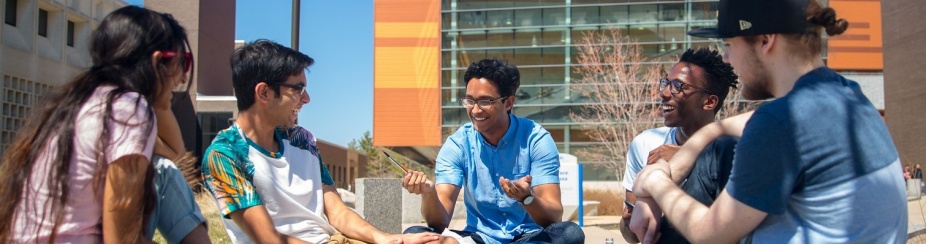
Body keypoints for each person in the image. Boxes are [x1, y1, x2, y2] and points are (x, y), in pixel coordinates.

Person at [630, 0, 907, 243]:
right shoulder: (846, 95)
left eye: (729, 45)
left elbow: (709, 233)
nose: (727, 58)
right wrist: (708, 133)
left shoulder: (780, 124)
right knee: (720, 146)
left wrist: (655, 183)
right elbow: (734, 126)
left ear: (765, 40)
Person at [201, 39, 440, 244]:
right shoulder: (225, 155)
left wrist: (385, 238)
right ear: (264, 93)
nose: (307, 99)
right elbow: (270, 239)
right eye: (298, 89)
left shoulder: (302, 140)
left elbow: (337, 212)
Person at [0, 6, 193, 243]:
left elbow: (174, 152)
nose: (183, 78)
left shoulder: (76, 103)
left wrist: (160, 96)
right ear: (156, 62)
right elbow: (122, 240)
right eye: (183, 62)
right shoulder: (128, 109)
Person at [401, 58, 585, 244]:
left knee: (570, 233)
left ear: (508, 103)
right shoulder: (457, 144)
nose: (475, 110)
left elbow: (554, 217)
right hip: (479, 238)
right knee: (414, 233)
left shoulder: (536, 139)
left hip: (529, 238)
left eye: (485, 101)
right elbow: (438, 223)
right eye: (470, 101)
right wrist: (429, 193)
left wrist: (527, 198)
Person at [618, 48, 738, 244]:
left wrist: (688, 156)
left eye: (678, 86)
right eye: (666, 83)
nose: (664, 93)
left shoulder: (730, 150)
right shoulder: (645, 143)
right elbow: (631, 236)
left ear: (709, 102)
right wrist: (631, 217)